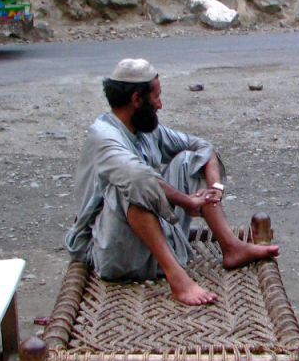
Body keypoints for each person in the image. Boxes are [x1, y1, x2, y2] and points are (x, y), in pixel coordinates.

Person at [65, 58, 278, 305]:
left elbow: (203, 148)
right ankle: (178, 279)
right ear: (136, 99)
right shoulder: (103, 136)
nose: (160, 105)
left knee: (191, 159)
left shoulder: (146, 130)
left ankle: (231, 247)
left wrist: (215, 190)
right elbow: (139, 179)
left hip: (154, 244)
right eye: (156, 97)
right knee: (131, 184)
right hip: (112, 253)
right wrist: (186, 201)